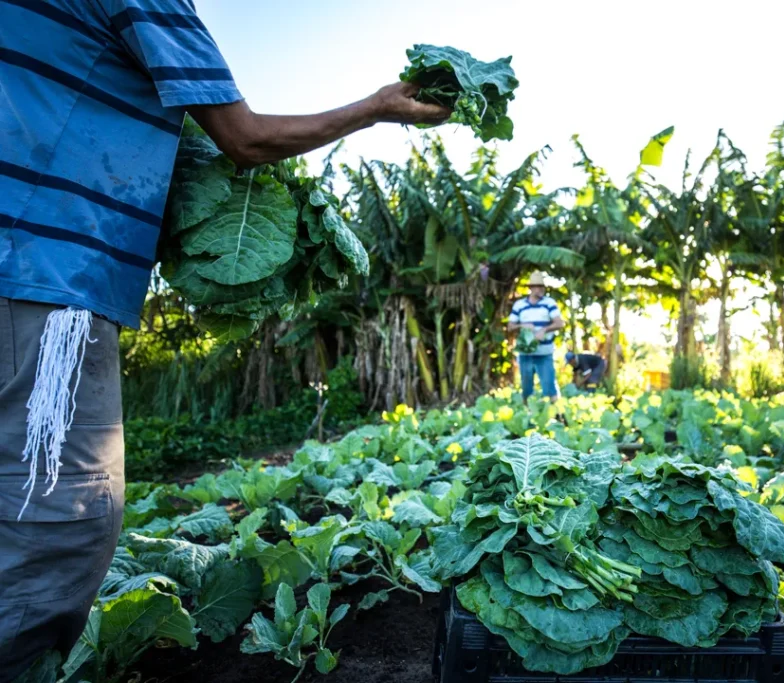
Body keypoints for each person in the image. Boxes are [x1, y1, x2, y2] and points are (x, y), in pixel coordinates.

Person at [0, 1, 449, 677]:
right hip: (46, 271)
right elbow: (245, 138)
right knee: (62, 518)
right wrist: (376, 106)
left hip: (22, 259)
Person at [507, 272, 565, 400]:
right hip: (525, 354)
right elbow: (510, 327)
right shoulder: (519, 305)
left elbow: (559, 323)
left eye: (542, 287)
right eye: (537, 286)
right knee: (527, 391)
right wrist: (522, 325)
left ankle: (556, 415)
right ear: (531, 288)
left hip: (544, 353)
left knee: (549, 388)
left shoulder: (549, 303)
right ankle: (528, 417)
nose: (540, 289)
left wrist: (544, 330)